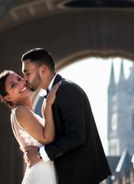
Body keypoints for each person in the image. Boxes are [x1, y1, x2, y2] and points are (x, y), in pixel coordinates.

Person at [20, 48, 112, 184]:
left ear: (43, 70)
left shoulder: (67, 91)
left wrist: (40, 153)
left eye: (27, 73)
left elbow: (76, 136)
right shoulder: (54, 93)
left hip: (80, 177)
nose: (25, 79)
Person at [0, 70, 60, 184]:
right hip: (41, 174)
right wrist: (49, 104)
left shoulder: (25, 113)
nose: (21, 83)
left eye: (19, 79)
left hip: (45, 171)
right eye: (13, 85)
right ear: (8, 98)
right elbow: (47, 138)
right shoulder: (20, 111)